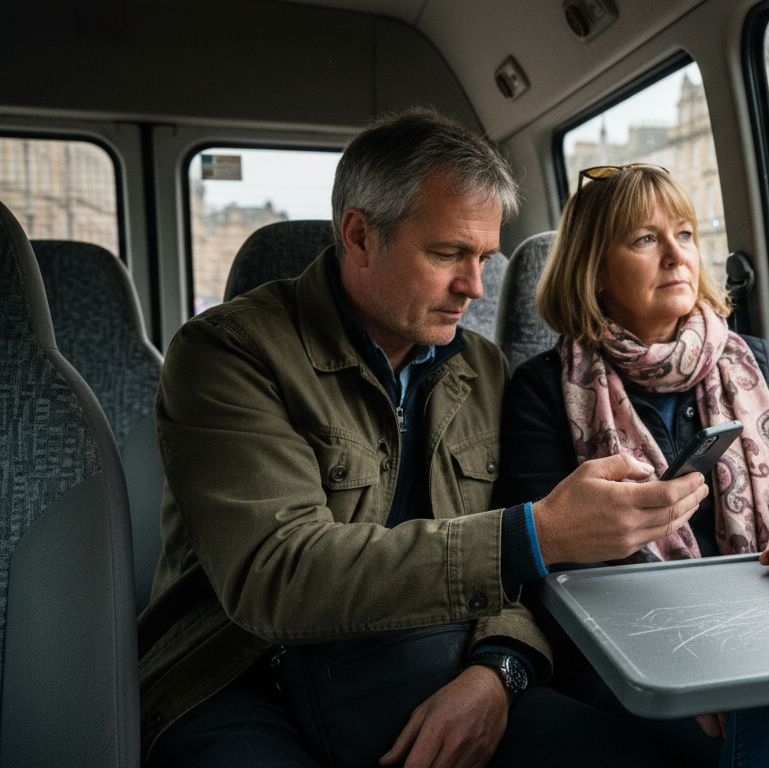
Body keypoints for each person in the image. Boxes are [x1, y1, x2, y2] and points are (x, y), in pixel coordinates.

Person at [140, 110, 711, 768]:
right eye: (447, 255)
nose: (475, 287)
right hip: (240, 676)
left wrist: (497, 670)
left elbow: (520, 587)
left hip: (437, 659)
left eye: (484, 258)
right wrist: (534, 535)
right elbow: (278, 576)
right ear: (360, 236)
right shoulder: (228, 354)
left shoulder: (484, 370)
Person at [495, 163, 769, 767]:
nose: (677, 256)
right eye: (645, 239)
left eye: (685, 234)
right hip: (624, 654)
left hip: (763, 633)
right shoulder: (542, 389)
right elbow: (543, 568)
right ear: (594, 270)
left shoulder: (754, 362)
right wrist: (685, 657)